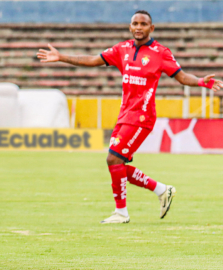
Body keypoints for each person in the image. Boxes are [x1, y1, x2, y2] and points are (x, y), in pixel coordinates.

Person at [37, 10, 223, 224]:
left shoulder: (161, 52)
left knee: (113, 159)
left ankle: (122, 213)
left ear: (151, 28)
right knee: (117, 164)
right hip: (124, 114)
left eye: (143, 24)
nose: (138, 27)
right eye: (135, 23)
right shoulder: (122, 49)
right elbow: (91, 60)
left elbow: (181, 76)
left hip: (142, 116)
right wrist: (62, 57)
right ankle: (162, 190)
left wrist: (200, 81)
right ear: (130, 26)